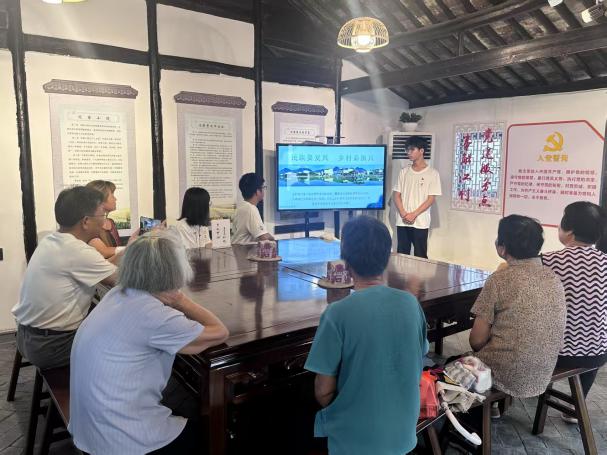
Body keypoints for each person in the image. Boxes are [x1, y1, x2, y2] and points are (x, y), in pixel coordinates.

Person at [69, 231, 229, 454]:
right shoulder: (153, 315)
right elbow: (220, 332)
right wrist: (181, 301)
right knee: (216, 433)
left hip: (87, 430)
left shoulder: (117, 294)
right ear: (174, 270)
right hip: (121, 441)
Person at [304, 216, 428, 455]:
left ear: (346, 261)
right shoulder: (411, 304)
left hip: (353, 441)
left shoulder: (337, 313)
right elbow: (418, 356)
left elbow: (323, 391)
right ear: (388, 256)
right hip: (404, 433)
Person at [11, 186, 117, 370]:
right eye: (103, 215)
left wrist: (128, 250)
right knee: (126, 341)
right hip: (53, 346)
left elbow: (98, 266)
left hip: (27, 336)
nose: (104, 222)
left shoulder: (51, 240)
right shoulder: (78, 251)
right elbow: (124, 279)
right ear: (86, 221)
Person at [469, 215, 567, 398]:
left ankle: (481, 411)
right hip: (543, 372)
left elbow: (476, 341)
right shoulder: (553, 278)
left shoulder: (498, 280)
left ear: (502, 247)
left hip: (505, 376)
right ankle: (496, 407)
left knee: (454, 364)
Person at [542, 201, 607, 417]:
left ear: (568, 231)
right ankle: (574, 408)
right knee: (595, 341)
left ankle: (498, 404)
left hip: (556, 354)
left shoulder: (548, 261)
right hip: (598, 354)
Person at [392, 136, 441, 258]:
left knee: (420, 255)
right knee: (402, 255)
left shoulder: (433, 173)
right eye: (407, 150)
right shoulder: (404, 172)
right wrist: (404, 214)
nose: (408, 153)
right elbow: (396, 195)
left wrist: (414, 214)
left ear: (421, 151)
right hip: (403, 221)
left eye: (412, 149)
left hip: (420, 222)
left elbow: (431, 199)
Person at [232, 173, 274, 244]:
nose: (264, 190)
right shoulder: (251, 209)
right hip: (244, 250)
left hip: (237, 248)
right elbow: (264, 236)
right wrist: (273, 239)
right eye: (263, 187)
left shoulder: (241, 206)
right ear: (257, 191)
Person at [85, 180, 123, 258]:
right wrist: (131, 247)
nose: (115, 199)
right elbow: (104, 252)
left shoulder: (110, 222)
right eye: (112, 195)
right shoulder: (90, 225)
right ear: (100, 200)